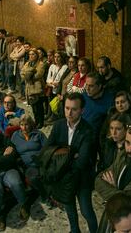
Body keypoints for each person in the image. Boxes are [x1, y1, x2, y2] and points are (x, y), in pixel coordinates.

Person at [46, 93, 98, 233]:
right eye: (67, 108)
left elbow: (82, 161)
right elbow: (47, 150)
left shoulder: (88, 130)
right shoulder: (58, 125)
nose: (69, 112)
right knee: (69, 209)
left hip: (82, 178)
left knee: (86, 211)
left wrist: (60, 154)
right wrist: (70, 155)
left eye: (74, 109)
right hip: (64, 177)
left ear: (82, 110)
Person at [9, 114, 47, 217]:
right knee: (34, 177)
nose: (24, 127)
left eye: (26, 124)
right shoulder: (15, 136)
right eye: (21, 125)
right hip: (29, 166)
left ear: (31, 125)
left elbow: (47, 148)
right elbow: (12, 151)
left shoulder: (38, 134)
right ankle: (44, 195)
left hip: (42, 161)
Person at [21, 48, 46, 128]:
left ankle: (41, 122)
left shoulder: (40, 64)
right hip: (29, 88)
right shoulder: (27, 63)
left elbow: (38, 75)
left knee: (39, 106)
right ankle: (36, 121)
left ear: (37, 55)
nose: (31, 56)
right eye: (30, 54)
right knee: (33, 106)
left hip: (37, 88)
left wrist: (27, 75)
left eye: (33, 54)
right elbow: (22, 73)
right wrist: (30, 72)